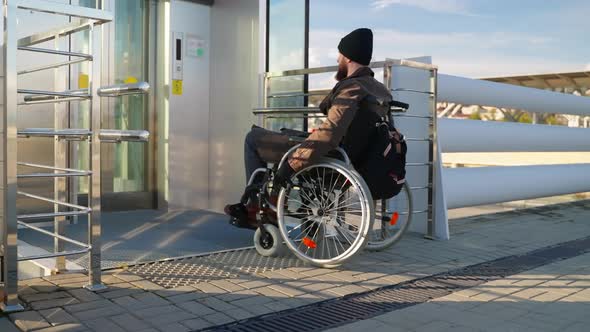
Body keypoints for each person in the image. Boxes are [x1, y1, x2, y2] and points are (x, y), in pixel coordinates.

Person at [225, 28, 393, 228]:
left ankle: (257, 208)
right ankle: (267, 203)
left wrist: (294, 162)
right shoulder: (379, 90)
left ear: (348, 58)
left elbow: (330, 133)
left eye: (340, 54)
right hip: (355, 155)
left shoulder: (352, 88)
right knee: (285, 134)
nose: (338, 58)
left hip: (331, 153)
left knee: (253, 138)